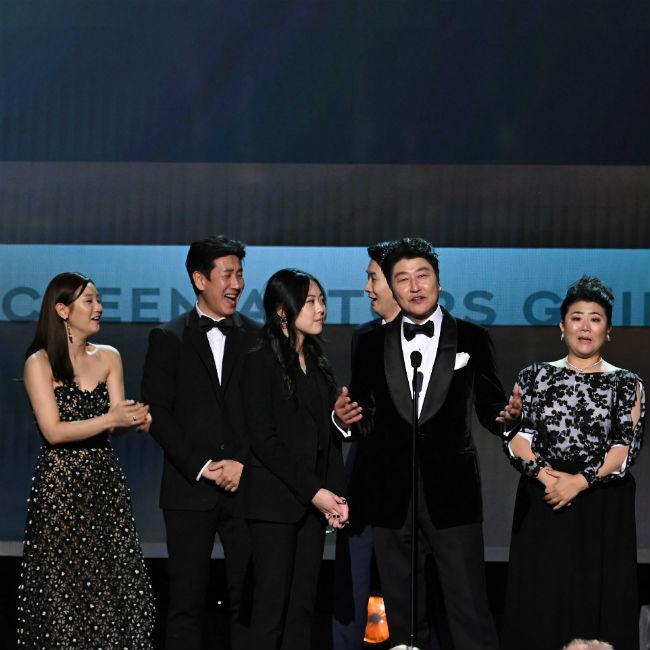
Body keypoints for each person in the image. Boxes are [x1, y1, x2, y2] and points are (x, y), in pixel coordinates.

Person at [335, 237, 520, 650]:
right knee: (403, 618)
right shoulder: (370, 343)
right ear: (392, 286)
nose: (415, 286)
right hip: (390, 496)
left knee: (469, 611)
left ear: (438, 279)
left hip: (452, 494)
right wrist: (343, 421)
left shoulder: (472, 337)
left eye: (423, 275)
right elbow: (364, 417)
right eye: (403, 278)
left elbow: (491, 406)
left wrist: (507, 418)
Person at [501, 276, 645, 650]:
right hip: (544, 500)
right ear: (561, 326)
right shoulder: (534, 375)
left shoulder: (627, 383)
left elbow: (624, 449)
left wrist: (580, 481)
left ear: (608, 330)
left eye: (595, 319)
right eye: (576, 318)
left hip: (601, 508)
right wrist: (547, 478)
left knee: (596, 605)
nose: (585, 327)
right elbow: (517, 437)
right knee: (541, 603)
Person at [16, 272, 155, 648]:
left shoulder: (109, 356)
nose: (99, 308)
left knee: (113, 582)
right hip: (61, 490)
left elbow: (115, 422)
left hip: (104, 484)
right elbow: (53, 431)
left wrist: (133, 420)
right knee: (67, 587)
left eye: (99, 300)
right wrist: (112, 420)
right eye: (89, 301)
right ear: (62, 310)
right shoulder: (39, 363)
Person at [141, 236, 259, 650]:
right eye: (227, 274)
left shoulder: (259, 337)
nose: (237, 284)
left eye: (240, 274)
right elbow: (158, 414)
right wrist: (204, 467)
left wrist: (242, 464)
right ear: (199, 279)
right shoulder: (167, 337)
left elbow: (265, 414)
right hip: (188, 490)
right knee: (185, 604)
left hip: (247, 488)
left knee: (250, 603)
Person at [238, 268, 347, 650]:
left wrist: (335, 496)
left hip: (312, 508)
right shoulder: (259, 362)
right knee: (271, 611)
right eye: (310, 301)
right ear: (282, 311)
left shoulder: (318, 363)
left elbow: (326, 439)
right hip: (274, 505)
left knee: (302, 610)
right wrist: (316, 492)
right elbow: (264, 441)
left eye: (322, 300)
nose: (321, 309)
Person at [331, 240, 401, 650]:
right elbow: (360, 413)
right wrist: (344, 420)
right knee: (349, 596)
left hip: (410, 491)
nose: (367, 287)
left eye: (373, 278)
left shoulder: (443, 335)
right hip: (363, 486)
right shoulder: (363, 336)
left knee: (411, 598)